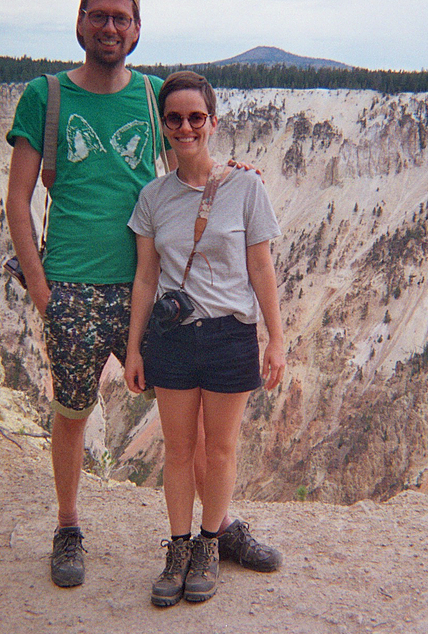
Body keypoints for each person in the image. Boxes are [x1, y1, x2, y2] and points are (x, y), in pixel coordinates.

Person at [5, 0, 279, 590]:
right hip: (72, 285)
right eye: (99, 16)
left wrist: (233, 171)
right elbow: (17, 201)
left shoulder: (154, 97)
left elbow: (190, 149)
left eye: (121, 19)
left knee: (194, 425)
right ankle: (69, 525)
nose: (109, 28)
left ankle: (217, 526)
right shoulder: (44, 97)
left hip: (148, 294)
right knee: (72, 410)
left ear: (136, 30)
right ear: (80, 23)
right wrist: (45, 294)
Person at [125, 71, 286, 606]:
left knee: (219, 450)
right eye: (175, 118)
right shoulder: (152, 197)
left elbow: (261, 267)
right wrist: (133, 347)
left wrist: (276, 339)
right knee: (178, 449)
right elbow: (146, 277)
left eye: (197, 117)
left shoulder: (246, 186)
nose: (186, 127)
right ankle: (177, 548)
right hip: (172, 338)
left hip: (230, 334)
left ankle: (210, 544)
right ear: (164, 126)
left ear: (213, 123)